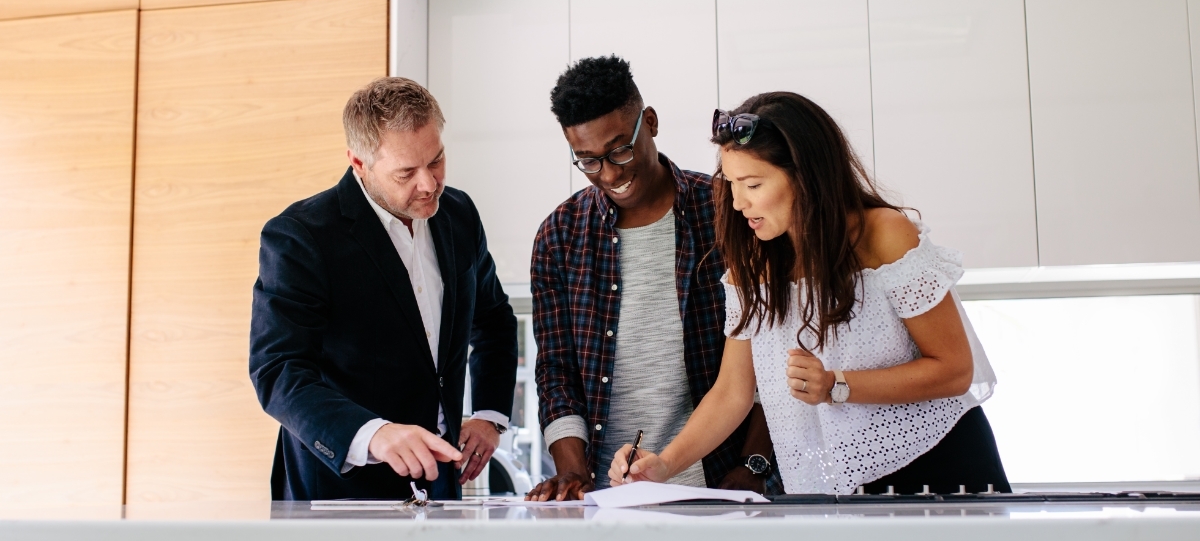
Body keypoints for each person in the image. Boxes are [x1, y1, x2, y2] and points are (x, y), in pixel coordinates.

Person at [608, 91, 1010, 495]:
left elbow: (955, 370)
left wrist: (837, 384)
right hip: (844, 486)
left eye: (753, 184)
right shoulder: (754, 265)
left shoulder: (884, 235)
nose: (738, 202)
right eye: (731, 184)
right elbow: (733, 391)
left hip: (939, 462)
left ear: (804, 176)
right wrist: (664, 464)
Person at [249, 77, 519, 500]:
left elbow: (493, 319)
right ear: (359, 163)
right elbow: (278, 369)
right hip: (335, 487)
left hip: (441, 484)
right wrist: (373, 434)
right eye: (406, 173)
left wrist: (489, 415)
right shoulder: (301, 236)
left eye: (437, 160)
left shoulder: (460, 214)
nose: (429, 184)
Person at [527, 56, 778, 501]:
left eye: (620, 149)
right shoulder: (558, 236)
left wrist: (752, 466)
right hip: (611, 494)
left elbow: (769, 353)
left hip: (724, 483)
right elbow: (556, 370)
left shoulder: (729, 211)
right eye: (588, 161)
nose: (610, 174)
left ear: (651, 122)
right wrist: (571, 471)